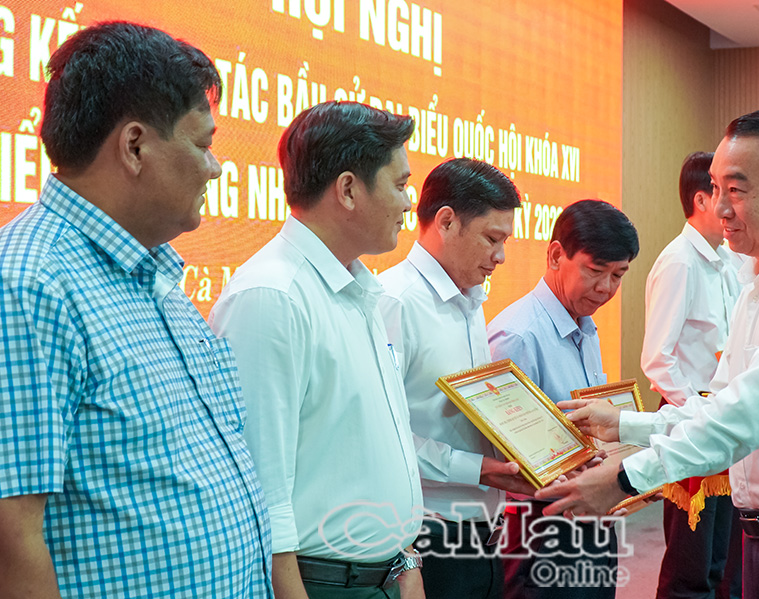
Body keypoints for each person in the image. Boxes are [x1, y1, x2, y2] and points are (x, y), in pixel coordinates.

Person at [541, 109, 759, 599]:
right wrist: (625, 426)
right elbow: (722, 402)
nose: (720, 207)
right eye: (714, 189)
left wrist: (626, 478)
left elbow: (749, 414)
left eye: (737, 189)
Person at [0, 22, 272, 598]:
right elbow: (4, 545)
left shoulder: (156, 275)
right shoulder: (25, 285)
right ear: (135, 146)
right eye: (203, 145)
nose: (215, 168)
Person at [209, 101, 423, 599]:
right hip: (320, 583)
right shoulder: (273, 296)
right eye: (399, 185)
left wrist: (406, 561)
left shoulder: (359, 288)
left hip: (386, 575)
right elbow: (262, 491)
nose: (408, 203)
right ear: (348, 189)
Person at [377, 158, 531, 598]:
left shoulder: (470, 299)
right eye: (492, 239)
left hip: (484, 533)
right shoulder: (394, 302)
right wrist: (480, 470)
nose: (500, 256)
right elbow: (384, 437)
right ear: (446, 222)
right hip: (430, 536)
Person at [487, 199, 639, 599]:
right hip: (541, 523)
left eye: (618, 275)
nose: (606, 288)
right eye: (595, 271)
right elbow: (505, 454)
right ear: (556, 255)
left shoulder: (586, 327)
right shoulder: (518, 336)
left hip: (591, 510)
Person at [641, 152, 742, 599]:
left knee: (720, 553)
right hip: (689, 413)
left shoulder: (725, 261)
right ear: (701, 200)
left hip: (718, 412)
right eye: (726, 193)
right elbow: (657, 358)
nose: (734, 206)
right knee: (690, 557)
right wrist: (695, 410)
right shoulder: (679, 261)